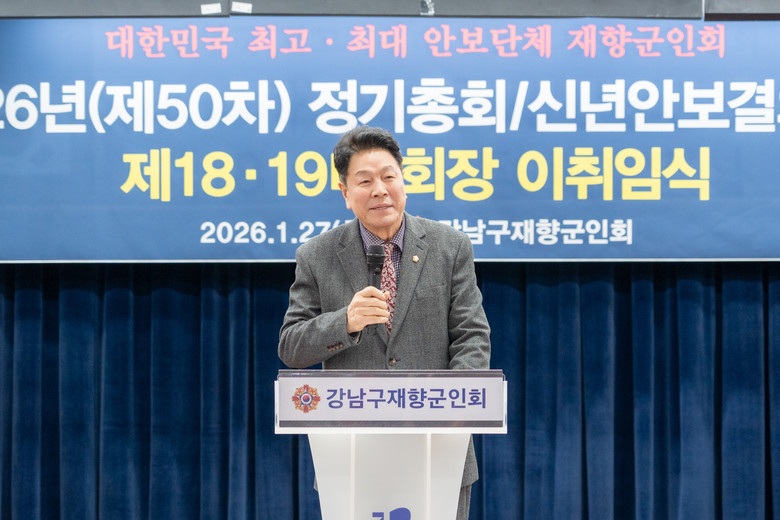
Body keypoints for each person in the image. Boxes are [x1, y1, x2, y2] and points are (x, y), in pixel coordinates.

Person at [278, 125, 490, 520]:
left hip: (438, 451)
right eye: (365, 181)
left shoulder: (450, 246)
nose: (380, 190)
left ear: (403, 181)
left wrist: (453, 407)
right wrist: (345, 322)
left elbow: (472, 336)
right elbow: (291, 346)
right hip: (353, 455)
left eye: (389, 176)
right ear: (345, 193)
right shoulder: (317, 255)